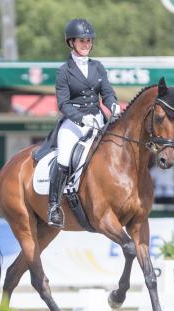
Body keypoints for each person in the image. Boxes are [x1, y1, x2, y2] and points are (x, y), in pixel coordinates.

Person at [47, 18, 121, 228]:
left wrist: (113, 105)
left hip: (98, 119)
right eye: (82, 41)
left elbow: (107, 93)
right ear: (71, 42)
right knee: (64, 157)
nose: (87, 44)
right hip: (74, 122)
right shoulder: (64, 71)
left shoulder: (98, 67)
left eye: (89, 40)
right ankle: (53, 206)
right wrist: (80, 118)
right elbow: (63, 104)